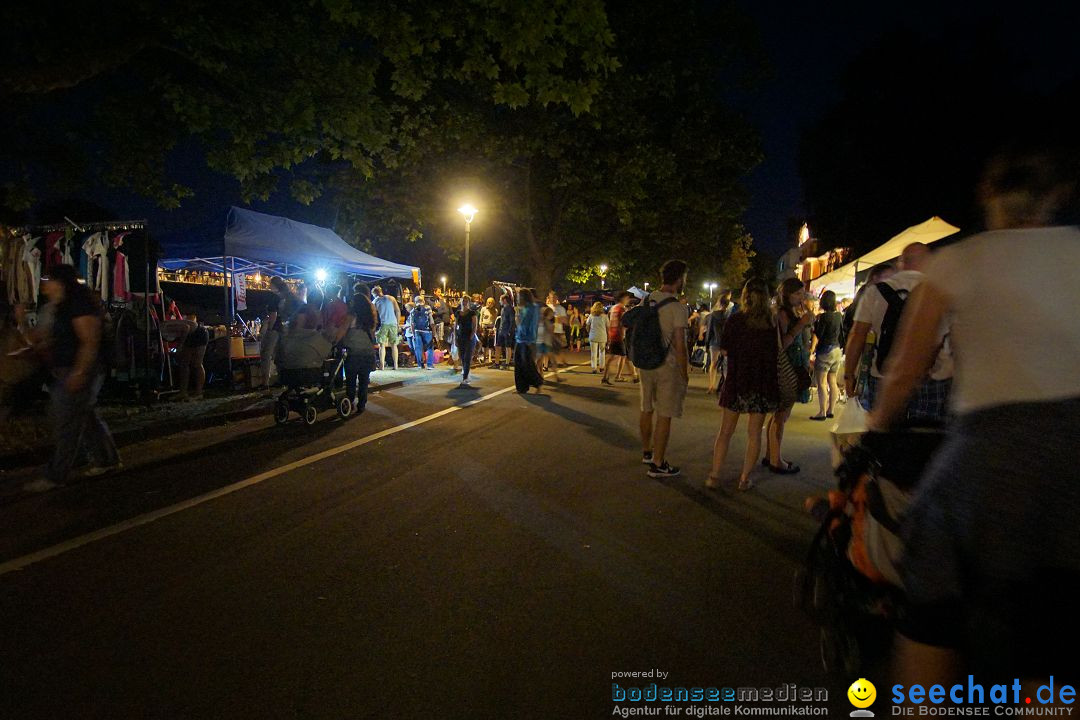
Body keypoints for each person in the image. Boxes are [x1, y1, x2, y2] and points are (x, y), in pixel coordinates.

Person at [873, 141, 1080, 684]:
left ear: (987, 193)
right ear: (1057, 195)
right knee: (1052, 638)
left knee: (932, 597)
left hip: (988, 451)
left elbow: (904, 370)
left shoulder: (959, 261)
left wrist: (874, 432)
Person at [25, 264, 120, 492]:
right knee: (85, 416)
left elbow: (89, 341)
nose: (44, 283)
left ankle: (56, 475)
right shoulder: (57, 307)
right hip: (66, 370)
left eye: (48, 278)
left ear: (61, 282)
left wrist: (79, 372)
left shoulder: (78, 304)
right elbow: (44, 338)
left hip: (79, 370)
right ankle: (107, 459)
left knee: (66, 422)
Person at [846, 242, 953, 421]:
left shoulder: (875, 291)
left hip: (883, 377)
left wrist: (850, 375)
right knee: (923, 438)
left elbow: (857, 334)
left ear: (900, 263)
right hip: (932, 378)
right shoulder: (941, 291)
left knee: (884, 436)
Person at [707, 278, 779, 491]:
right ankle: (744, 478)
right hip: (762, 383)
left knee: (725, 432)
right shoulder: (772, 323)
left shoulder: (736, 320)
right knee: (754, 434)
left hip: (737, 381)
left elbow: (725, 350)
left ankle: (714, 475)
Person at [638, 260, 690, 478]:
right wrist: (684, 372)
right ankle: (658, 464)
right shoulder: (678, 307)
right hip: (666, 366)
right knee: (665, 414)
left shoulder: (647, 300)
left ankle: (647, 452)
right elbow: (680, 344)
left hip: (645, 362)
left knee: (646, 408)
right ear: (679, 279)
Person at [762, 278, 814, 475]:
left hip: (794, 366)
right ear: (787, 294)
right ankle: (777, 460)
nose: (801, 297)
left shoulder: (793, 312)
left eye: (803, 294)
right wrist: (800, 325)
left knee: (779, 415)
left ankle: (770, 455)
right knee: (781, 417)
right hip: (787, 369)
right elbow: (782, 344)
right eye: (798, 294)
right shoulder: (783, 314)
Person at [337, 289, 378, 413]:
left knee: (351, 380)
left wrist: (335, 342)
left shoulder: (351, 316)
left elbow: (342, 332)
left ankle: (349, 404)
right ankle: (362, 404)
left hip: (353, 352)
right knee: (364, 380)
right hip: (368, 352)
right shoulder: (371, 319)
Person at [260, 276, 301, 388]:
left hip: (275, 329)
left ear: (274, 285)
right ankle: (282, 379)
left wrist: (269, 329)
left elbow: (273, 315)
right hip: (287, 329)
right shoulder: (289, 296)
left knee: (267, 354)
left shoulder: (275, 297)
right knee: (281, 355)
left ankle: (265, 382)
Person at [809, 290, 843, 420]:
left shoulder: (823, 317)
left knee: (822, 383)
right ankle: (831, 410)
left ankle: (822, 412)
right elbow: (842, 334)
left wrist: (815, 326)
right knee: (832, 381)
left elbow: (819, 334)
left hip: (825, 351)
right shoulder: (839, 315)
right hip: (836, 350)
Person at [513, 288, 543, 393]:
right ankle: (521, 387)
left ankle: (537, 382)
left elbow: (531, 325)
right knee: (518, 363)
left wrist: (530, 340)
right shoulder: (524, 308)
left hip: (527, 339)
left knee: (527, 364)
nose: (517, 298)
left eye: (518, 296)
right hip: (520, 338)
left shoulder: (532, 308)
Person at [602, 291, 633, 385]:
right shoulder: (622, 309)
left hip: (613, 334)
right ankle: (621, 376)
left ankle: (606, 377)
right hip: (619, 335)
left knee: (613, 356)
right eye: (627, 298)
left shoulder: (613, 308)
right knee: (623, 356)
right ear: (622, 298)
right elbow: (623, 323)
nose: (628, 300)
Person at [175, 313, 209, 401]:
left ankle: (199, 392)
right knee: (184, 364)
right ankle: (183, 392)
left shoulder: (179, 315)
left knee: (197, 364)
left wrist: (180, 345)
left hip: (199, 334)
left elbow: (186, 327)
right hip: (190, 335)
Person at [705, 292, 734, 394]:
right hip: (727, 342)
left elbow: (710, 330)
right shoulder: (730, 316)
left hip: (715, 342)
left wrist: (707, 343)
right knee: (726, 364)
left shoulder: (713, 315)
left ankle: (711, 385)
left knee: (713, 364)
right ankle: (726, 386)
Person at [371, 286, 401, 370]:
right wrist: (397, 323)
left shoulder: (375, 301)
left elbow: (373, 314)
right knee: (394, 345)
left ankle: (382, 366)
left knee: (382, 345)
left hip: (383, 324)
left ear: (374, 293)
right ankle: (396, 365)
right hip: (393, 323)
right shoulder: (391, 298)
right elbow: (398, 311)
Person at [455, 296, 479, 387]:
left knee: (467, 357)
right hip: (460, 337)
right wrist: (455, 338)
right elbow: (455, 326)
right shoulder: (458, 313)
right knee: (462, 357)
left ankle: (465, 378)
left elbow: (474, 326)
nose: (464, 302)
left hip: (469, 337)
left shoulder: (472, 313)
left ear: (469, 302)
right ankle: (466, 373)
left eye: (466, 301)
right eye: (463, 301)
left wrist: (471, 336)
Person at [408, 295, 436, 369]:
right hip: (427, 331)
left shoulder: (412, 310)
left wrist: (413, 334)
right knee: (430, 347)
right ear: (423, 301)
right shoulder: (427, 308)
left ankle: (420, 365)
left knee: (418, 348)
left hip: (417, 331)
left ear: (415, 302)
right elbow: (431, 321)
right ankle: (429, 365)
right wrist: (434, 332)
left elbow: (412, 324)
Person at [537, 304, 561, 382]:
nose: (552, 315)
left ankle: (541, 375)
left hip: (540, 342)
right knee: (552, 360)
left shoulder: (540, 321)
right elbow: (551, 333)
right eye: (551, 313)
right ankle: (556, 376)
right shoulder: (547, 322)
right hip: (546, 343)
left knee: (539, 361)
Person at [493, 292, 516, 369]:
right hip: (501, 330)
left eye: (500, 300)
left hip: (507, 331)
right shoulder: (503, 309)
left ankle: (507, 363)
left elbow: (512, 321)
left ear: (504, 300)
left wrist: (510, 331)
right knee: (498, 346)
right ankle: (496, 363)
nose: (499, 301)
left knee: (507, 347)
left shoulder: (510, 309)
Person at [546, 292, 568, 368]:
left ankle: (563, 361)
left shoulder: (561, 308)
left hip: (558, 331)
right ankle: (548, 364)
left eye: (554, 298)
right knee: (548, 348)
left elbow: (565, 320)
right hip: (548, 331)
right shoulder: (547, 307)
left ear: (556, 298)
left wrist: (555, 319)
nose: (553, 299)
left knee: (559, 348)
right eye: (551, 297)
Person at [586, 301, 608, 373]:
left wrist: (589, 332)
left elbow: (587, 326)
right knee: (602, 352)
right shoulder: (605, 316)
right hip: (602, 336)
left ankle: (594, 368)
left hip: (593, 336)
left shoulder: (591, 316)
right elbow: (608, 327)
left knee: (593, 353)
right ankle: (602, 367)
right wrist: (608, 336)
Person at [479, 297, 497, 365]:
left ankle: (489, 358)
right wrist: (480, 326)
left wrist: (494, 328)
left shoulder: (495, 310)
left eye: (491, 302)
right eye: (488, 302)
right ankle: (484, 357)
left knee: (490, 344)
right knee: (484, 343)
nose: (489, 304)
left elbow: (495, 320)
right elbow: (481, 318)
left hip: (491, 327)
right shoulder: (483, 309)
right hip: (484, 327)